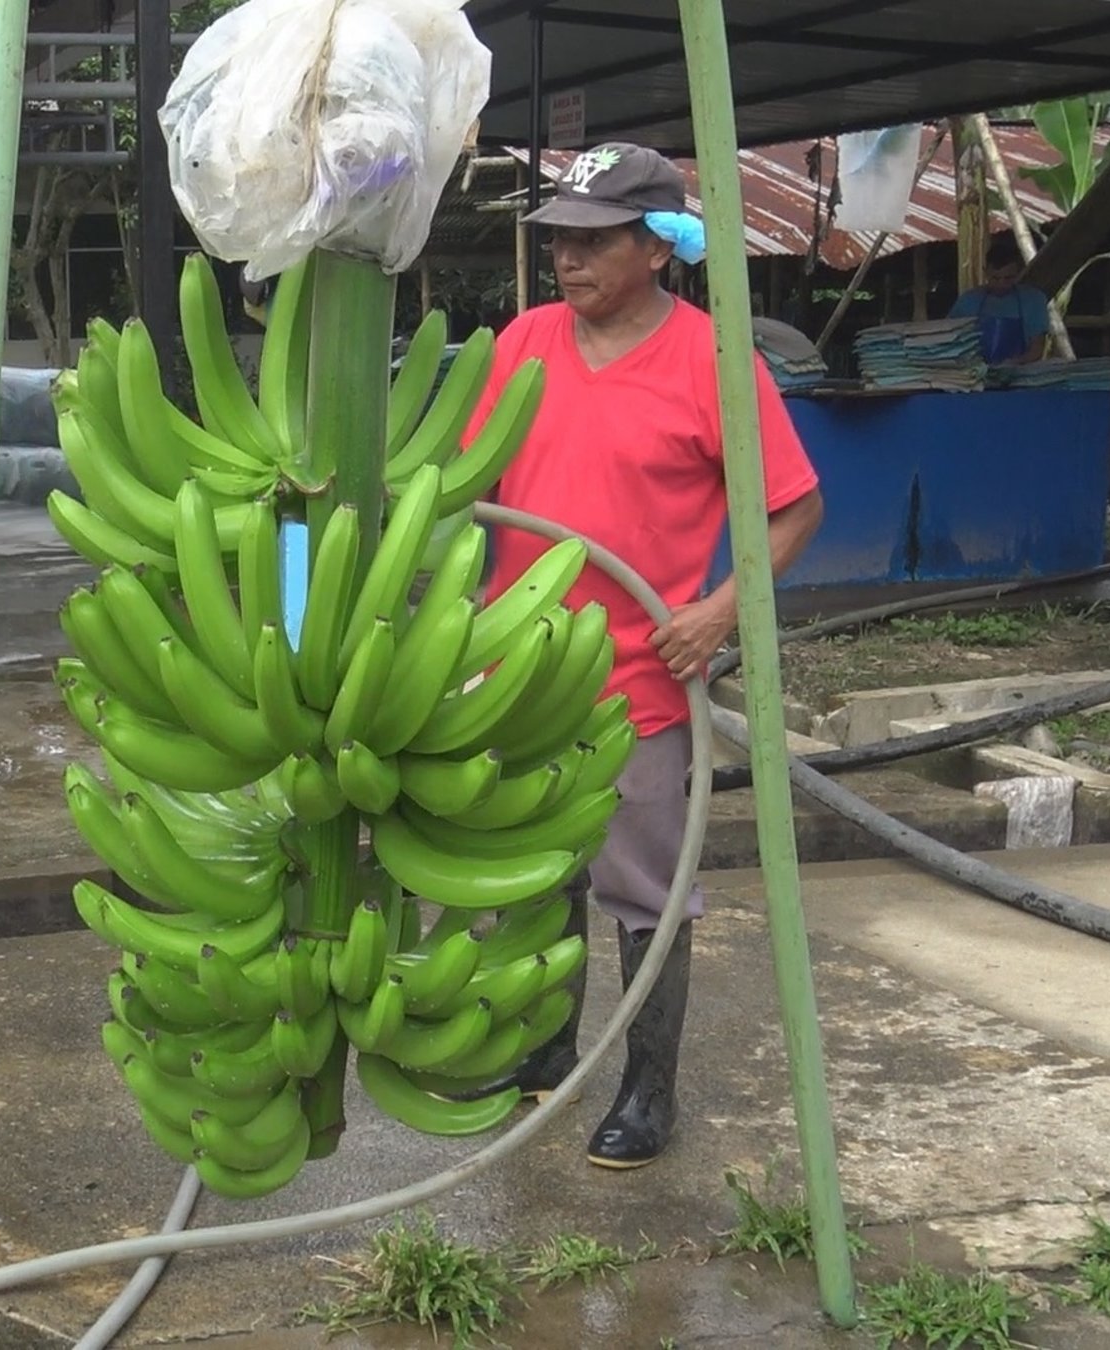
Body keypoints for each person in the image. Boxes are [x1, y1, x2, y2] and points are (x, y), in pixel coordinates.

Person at [460, 143, 825, 1169]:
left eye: (592, 241)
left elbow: (793, 509)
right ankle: (541, 1052)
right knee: (535, 878)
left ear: (656, 247)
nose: (567, 260)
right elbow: (466, 483)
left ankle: (645, 1091)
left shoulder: (713, 365)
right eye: (560, 241)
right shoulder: (523, 342)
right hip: (516, 667)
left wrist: (716, 613)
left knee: (643, 893)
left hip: (635, 681)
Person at [948, 234, 1052, 366]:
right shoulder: (968, 301)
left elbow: (1037, 348)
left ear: (1018, 272)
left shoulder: (1033, 300)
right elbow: (951, 343)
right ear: (985, 272)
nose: (1001, 284)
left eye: (1008, 278)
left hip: (1019, 373)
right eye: (995, 278)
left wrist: (1015, 362)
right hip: (974, 373)